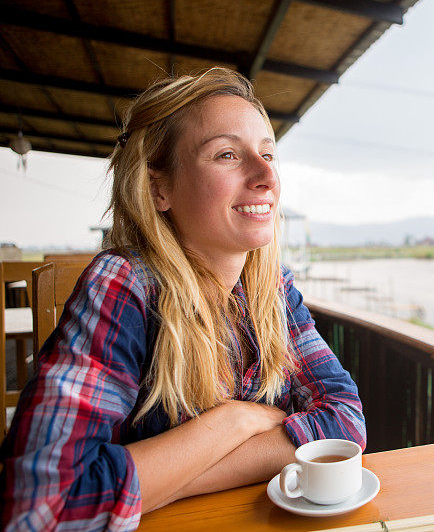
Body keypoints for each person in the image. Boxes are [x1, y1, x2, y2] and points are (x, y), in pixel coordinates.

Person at [0, 67, 366, 531]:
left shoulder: (271, 289)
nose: (266, 175)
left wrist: (170, 475)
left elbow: (346, 423)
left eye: (269, 154)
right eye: (228, 154)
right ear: (160, 188)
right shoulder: (125, 283)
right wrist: (235, 422)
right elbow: (44, 506)